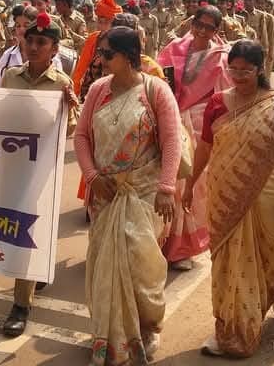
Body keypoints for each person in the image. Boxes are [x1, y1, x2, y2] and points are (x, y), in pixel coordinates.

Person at [184, 40, 274, 358]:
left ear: (260, 69)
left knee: (272, 250)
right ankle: (231, 329)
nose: (238, 76)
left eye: (246, 70)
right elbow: (204, 147)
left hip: (271, 191)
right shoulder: (217, 104)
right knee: (229, 260)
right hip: (224, 193)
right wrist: (189, 184)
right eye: (233, 69)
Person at [74, 26, 179, 365]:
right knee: (103, 264)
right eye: (99, 54)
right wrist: (91, 177)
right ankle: (109, 334)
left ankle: (148, 328)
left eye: (107, 54)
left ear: (129, 56)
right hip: (105, 192)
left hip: (144, 192)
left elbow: (172, 142)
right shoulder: (97, 91)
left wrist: (166, 188)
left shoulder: (155, 90)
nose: (100, 59)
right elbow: (81, 138)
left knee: (141, 265)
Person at [0, 13, 80, 337]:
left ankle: (20, 304)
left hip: (43, 167)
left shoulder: (61, 83)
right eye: (29, 40)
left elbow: (70, 128)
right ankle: (39, 268)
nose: (33, 46)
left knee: (28, 229)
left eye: (41, 42)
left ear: (54, 49)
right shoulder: (11, 77)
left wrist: (71, 107)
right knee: (15, 225)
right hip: (12, 164)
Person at [156, 1, 230, 270]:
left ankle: (181, 248)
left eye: (209, 28)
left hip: (201, 126)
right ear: (191, 23)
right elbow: (157, 82)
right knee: (167, 183)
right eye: (198, 25)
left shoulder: (222, 57)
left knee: (193, 187)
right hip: (170, 120)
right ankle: (162, 243)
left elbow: (225, 99)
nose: (202, 31)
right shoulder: (172, 48)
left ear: (216, 30)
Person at [0, 5, 65, 86]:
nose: (21, 29)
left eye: (26, 25)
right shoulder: (8, 55)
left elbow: (57, 84)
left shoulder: (53, 59)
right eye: (18, 25)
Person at [72, 0, 121, 100]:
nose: (102, 26)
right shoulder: (93, 39)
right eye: (100, 21)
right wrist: (74, 94)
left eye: (106, 22)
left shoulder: (122, 41)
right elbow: (80, 69)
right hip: (93, 90)